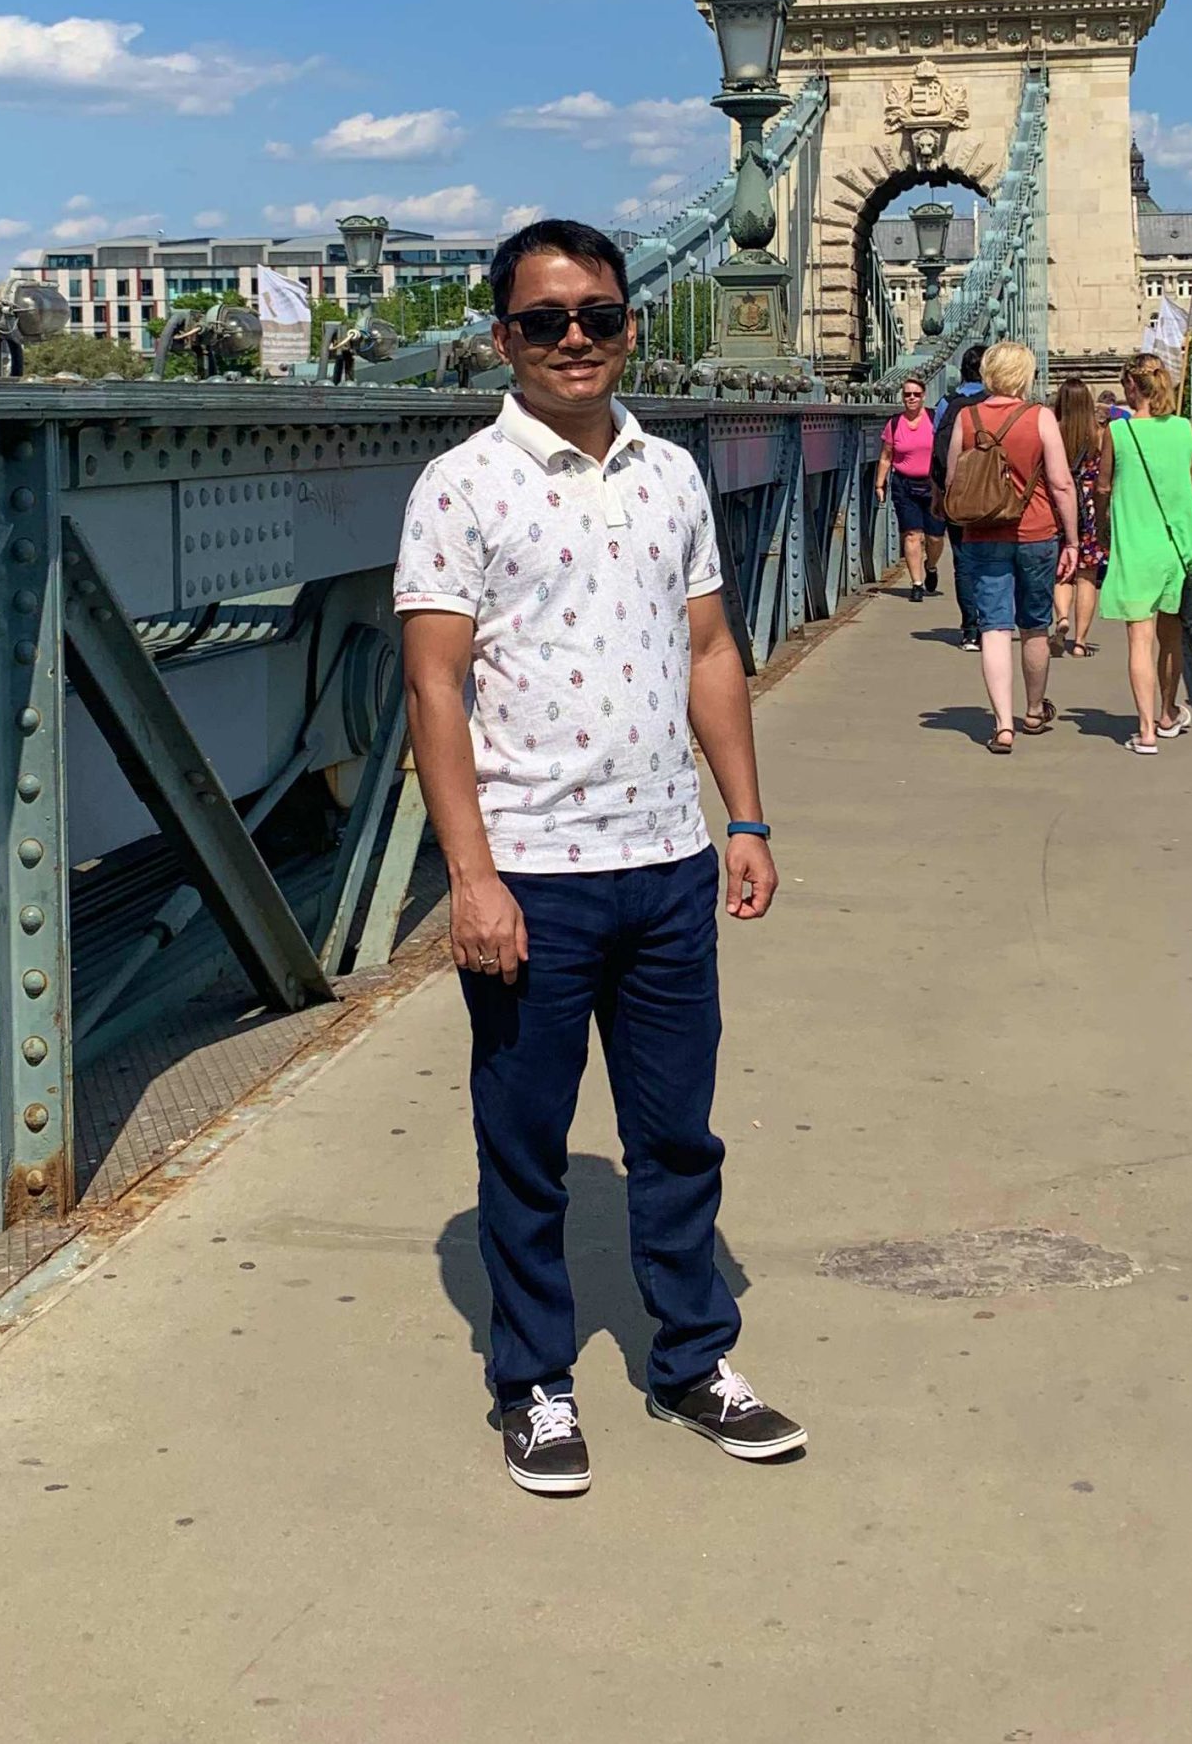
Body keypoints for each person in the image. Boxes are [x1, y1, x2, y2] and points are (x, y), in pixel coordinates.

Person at [396, 218, 805, 1497]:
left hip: (669, 860)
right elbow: (433, 687)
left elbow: (708, 653)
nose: (573, 339)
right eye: (542, 321)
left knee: (676, 1136)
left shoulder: (672, 475)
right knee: (524, 1145)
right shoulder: (459, 485)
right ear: (500, 336)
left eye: (597, 317)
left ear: (629, 324)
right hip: (532, 875)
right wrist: (471, 878)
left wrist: (743, 816)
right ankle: (535, 1382)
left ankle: (692, 1360)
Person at [945, 340, 1080, 754]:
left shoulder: (966, 418)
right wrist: (1072, 539)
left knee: (994, 628)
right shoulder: (1040, 417)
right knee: (1034, 625)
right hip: (1036, 532)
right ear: (1026, 375)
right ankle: (1035, 710)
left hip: (984, 534)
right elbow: (1060, 483)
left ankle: (1003, 725)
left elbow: (953, 482)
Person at [1101, 356, 1192, 754]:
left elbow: (1102, 488)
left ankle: (1146, 731)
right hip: (1177, 548)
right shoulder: (1188, 431)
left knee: (1140, 640)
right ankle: (1168, 713)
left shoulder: (1117, 433)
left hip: (1135, 545)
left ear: (1133, 388)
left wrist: (1103, 532)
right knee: (1171, 639)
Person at [928, 343, 989, 650]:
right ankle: (994, 624)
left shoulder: (947, 403)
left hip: (958, 494)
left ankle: (971, 629)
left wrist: (938, 493)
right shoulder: (999, 404)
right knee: (993, 558)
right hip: (994, 496)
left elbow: (936, 451)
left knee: (964, 562)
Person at [1050, 377, 1110, 657]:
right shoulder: (1099, 434)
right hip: (1089, 508)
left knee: (1062, 570)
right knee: (1087, 575)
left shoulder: (1052, 431)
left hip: (1058, 505)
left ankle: (1062, 618)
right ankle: (1080, 641)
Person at [873, 375, 944, 600]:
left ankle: (931, 566)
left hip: (932, 485)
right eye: (907, 394)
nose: (911, 398)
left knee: (934, 537)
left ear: (923, 397)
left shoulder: (935, 420)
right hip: (904, 483)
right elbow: (886, 456)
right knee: (912, 535)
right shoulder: (894, 424)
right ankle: (916, 583)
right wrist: (879, 483)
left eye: (916, 394)